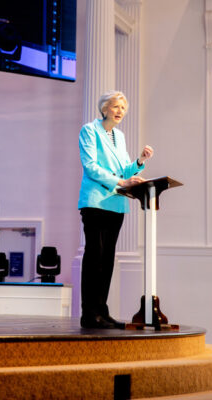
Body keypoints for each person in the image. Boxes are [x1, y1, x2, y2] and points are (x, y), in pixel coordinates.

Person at [77, 90, 154, 329]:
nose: (120, 111)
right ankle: (89, 314)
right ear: (104, 109)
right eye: (115, 106)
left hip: (116, 204)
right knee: (95, 257)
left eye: (123, 108)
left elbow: (124, 171)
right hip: (96, 202)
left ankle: (102, 311)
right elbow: (91, 167)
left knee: (108, 259)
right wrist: (122, 182)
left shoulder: (119, 136)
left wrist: (140, 162)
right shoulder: (90, 130)